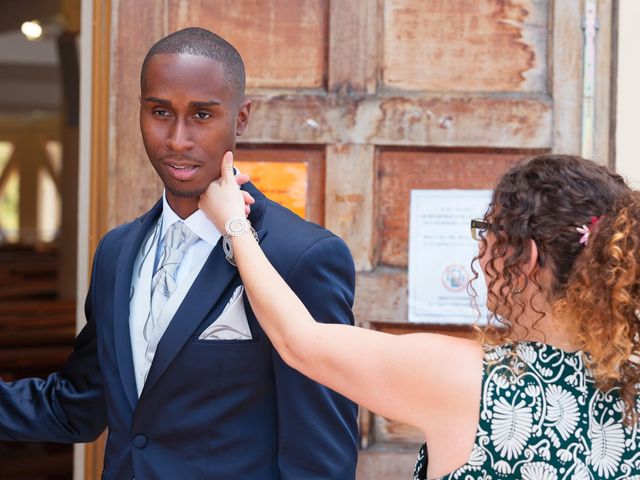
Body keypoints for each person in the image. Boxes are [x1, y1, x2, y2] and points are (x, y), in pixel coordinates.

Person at [0, 27, 358, 479]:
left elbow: (320, 459)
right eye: (160, 112)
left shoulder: (301, 256)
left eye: (202, 115)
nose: (177, 139)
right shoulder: (116, 252)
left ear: (241, 117)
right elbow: (79, 407)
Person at [200, 152, 640, 479]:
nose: (481, 248)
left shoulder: (471, 380)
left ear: (526, 256)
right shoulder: (633, 389)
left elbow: (301, 341)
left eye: (488, 232)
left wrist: (234, 225)